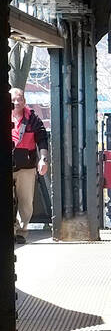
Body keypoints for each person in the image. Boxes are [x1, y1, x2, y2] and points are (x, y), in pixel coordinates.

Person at [10, 88, 50, 244]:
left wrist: (43, 159)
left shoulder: (33, 119)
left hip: (26, 166)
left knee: (26, 201)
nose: (16, 102)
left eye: (19, 99)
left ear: (24, 101)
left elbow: (42, 138)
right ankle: (11, 229)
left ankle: (22, 231)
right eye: (13, 100)